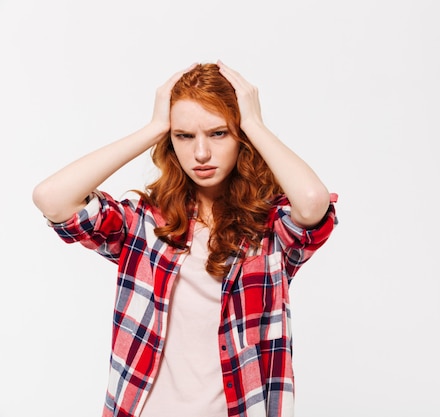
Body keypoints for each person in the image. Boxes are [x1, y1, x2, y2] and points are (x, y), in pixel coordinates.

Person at [32, 61, 338, 417]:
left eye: (219, 133)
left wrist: (254, 123)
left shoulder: (269, 231)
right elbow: (51, 198)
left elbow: (314, 202)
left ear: (241, 137)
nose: (201, 153)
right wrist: (154, 128)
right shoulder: (144, 226)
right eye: (184, 136)